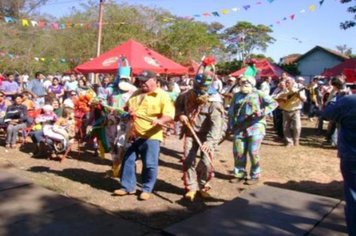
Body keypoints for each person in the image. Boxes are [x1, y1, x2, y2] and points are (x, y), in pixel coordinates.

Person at [113, 70, 175, 201]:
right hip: (133, 133)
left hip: (151, 135)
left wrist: (160, 120)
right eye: (140, 80)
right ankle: (127, 187)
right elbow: (126, 108)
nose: (142, 83)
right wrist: (126, 112)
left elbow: (169, 114)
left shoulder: (162, 95)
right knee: (128, 160)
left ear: (154, 81)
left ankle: (146, 189)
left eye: (145, 81)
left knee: (150, 164)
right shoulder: (136, 93)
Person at [175, 64, 224, 201]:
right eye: (197, 86)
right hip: (191, 133)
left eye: (202, 89)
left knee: (206, 163)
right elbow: (178, 107)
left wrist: (210, 141)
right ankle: (191, 187)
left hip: (207, 136)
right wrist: (181, 115)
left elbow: (217, 125)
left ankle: (203, 186)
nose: (199, 91)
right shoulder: (185, 95)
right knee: (188, 160)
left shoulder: (214, 102)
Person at [228, 76, 277, 184]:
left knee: (253, 152)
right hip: (239, 127)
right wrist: (230, 125)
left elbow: (274, 103)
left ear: (252, 83)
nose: (244, 84)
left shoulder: (259, 94)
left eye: (247, 82)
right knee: (239, 152)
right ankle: (239, 173)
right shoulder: (236, 95)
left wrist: (262, 112)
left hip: (256, 127)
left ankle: (255, 175)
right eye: (242, 82)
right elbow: (231, 111)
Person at [323, 94, 356, 236]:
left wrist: (335, 99)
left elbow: (326, 115)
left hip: (351, 154)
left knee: (353, 194)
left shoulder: (349, 100)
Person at [274, 77, 306, 147]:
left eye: (288, 82)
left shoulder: (298, 91)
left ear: (293, 83)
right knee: (285, 127)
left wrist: (299, 96)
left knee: (297, 127)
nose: (287, 83)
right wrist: (282, 99)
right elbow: (276, 98)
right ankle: (289, 142)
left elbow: (304, 99)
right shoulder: (284, 91)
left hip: (295, 110)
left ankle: (296, 141)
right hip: (285, 111)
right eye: (286, 82)